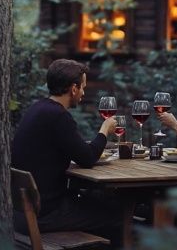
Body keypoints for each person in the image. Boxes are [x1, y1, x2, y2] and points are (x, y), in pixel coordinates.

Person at [11, 58, 121, 244]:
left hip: (23, 213)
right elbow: (87, 158)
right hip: (45, 214)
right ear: (73, 88)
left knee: (98, 203)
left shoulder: (38, 108)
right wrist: (104, 129)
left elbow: (71, 148)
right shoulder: (58, 116)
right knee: (118, 216)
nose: (83, 93)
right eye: (83, 88)